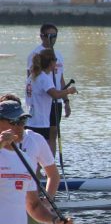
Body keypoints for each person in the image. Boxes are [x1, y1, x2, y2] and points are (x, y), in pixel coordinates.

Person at [27, 23, 71, 155]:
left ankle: (50, 166)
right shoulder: (35, 54)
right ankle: (37, 168)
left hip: (56, 99)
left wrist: (66, 101)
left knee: (53, 134)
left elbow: (61, 79)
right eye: (49, 35)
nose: (52, 39)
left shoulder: (58, 55)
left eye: (54, 35)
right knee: (40, 135)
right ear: (42, 37)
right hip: (43, 100)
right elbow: (30, 79)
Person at [25, 49, 77, 143]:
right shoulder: (44, 78)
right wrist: (69, 90)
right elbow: (55, 95)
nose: (56, 62)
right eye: (55, 60)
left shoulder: (32, 77)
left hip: (29, 122)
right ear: (51, 62)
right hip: (40, 124)